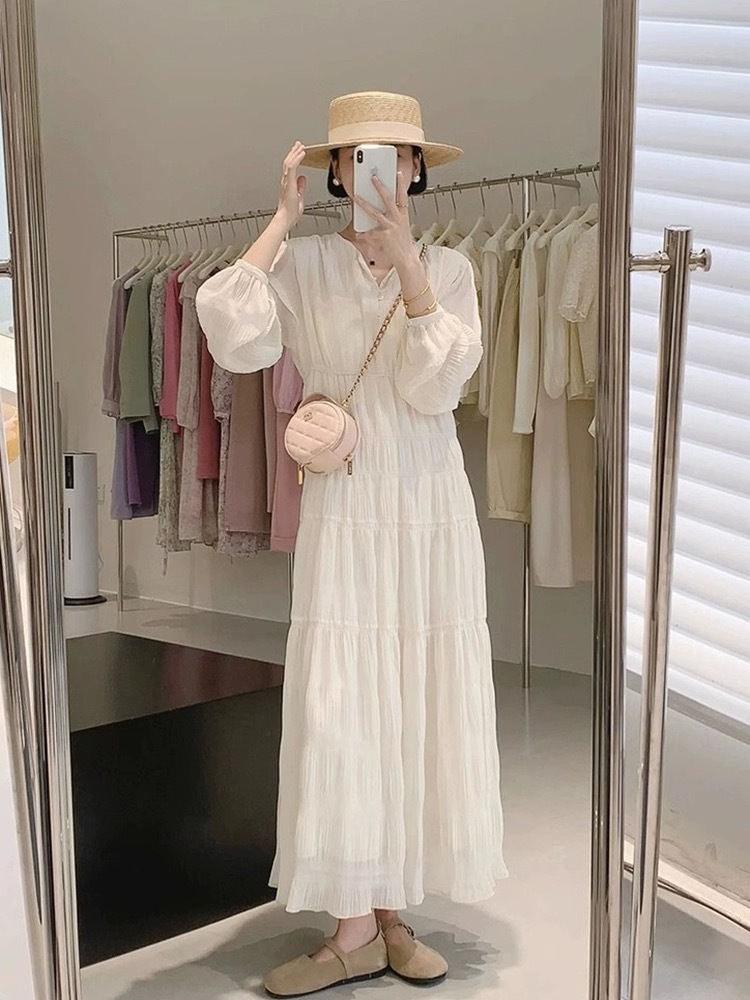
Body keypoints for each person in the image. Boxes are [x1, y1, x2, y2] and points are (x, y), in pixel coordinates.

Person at [196, 91, 507, 999]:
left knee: (416, 695)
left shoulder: (450, 269)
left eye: (396, 156)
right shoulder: (302, 264)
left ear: (416, 170)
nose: (378, 171)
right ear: (336, 172)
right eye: (357, 157)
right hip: (346, 498)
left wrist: (407, 261)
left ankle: (392, 913)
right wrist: (279, 220)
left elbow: (438, 386)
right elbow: (231, 333)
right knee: (344, 701)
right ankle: (351, 929)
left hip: (427, 499)